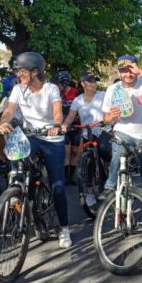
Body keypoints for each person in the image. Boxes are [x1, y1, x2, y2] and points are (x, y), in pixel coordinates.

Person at [0, 52, 72, 248]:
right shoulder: (18, 89)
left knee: (58, 186)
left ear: (35, 71)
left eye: (21, 71)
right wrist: (3, 122)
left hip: (51, 137)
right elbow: (9, 110)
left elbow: (57, 111)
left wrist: (56, 124)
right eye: (16, 71)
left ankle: (64, 228)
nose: (18, 75)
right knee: (18, 167)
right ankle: (19, 197)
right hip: (31, 136)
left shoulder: (51, 89)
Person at [102, 55, 142, 241]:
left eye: (131, 69)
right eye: (123, 70)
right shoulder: (113, 89)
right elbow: (106, 119)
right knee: (117, 153)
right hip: (123, 133)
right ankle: (110, 186)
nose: (128, 74)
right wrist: (111, 117)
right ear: (118, 72)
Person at [61, 72, 110, 202]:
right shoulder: (78, 100)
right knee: (88, 161)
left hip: (103, 131)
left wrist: (108, 120)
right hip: (87, 133)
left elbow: (109, 112)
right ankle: (88, 191)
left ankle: (109, 178)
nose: (94, 84)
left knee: (105, 152)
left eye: (95, 81)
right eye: (90, 81)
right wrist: (64, 125)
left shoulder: (103, 96)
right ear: (83, 84)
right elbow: (71, 117)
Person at [53, 71, 80, 184]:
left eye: (58, 84)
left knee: (74, 152)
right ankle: (65, 177)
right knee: (66, 152)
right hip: (64, 126)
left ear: (64, 83)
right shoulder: (57, 95)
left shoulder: (76, 93)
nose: (56, 87)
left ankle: (72, 176)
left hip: (76, 125)